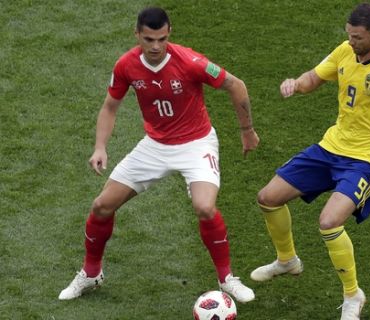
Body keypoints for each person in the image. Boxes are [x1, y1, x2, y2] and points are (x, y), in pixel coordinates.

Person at [250, 3, 370, 319]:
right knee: (268, 198)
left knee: (329, 222)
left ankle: (353, 295)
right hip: (330, 148)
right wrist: (295, 84)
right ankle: (287, 261)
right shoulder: (346, 51)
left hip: (365, 161)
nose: (351, 42)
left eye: (357, 37)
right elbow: (314, 78)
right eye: (349, 35)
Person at [59, 7, 259, 303]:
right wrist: (100, 146)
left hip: (196, 144)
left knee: (205, 207)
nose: (155, 47)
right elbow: (110, 107)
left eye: (161, 39)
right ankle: (91, 273)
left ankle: (227, 278)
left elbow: (235, 84)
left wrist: (247, 130)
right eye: (149, 39)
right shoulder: (126, 65)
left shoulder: (191, 62)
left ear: (170, 34)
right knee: (102, 205)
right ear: (137, 34)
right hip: (155, 147)